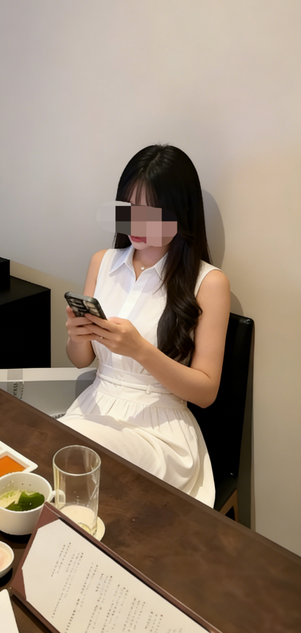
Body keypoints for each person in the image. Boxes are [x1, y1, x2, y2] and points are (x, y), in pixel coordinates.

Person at [60, 144, 230, 506]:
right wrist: (76, 337)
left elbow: (205, 393)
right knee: (62, 459)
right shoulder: (103, 262)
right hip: (95, 409)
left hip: (159, 430)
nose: (136, 224)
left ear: (180, 214)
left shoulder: (209, 283)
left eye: (150, 214)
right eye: (128, 209)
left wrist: (140, 350)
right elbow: (80, 360)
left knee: (72, 459)